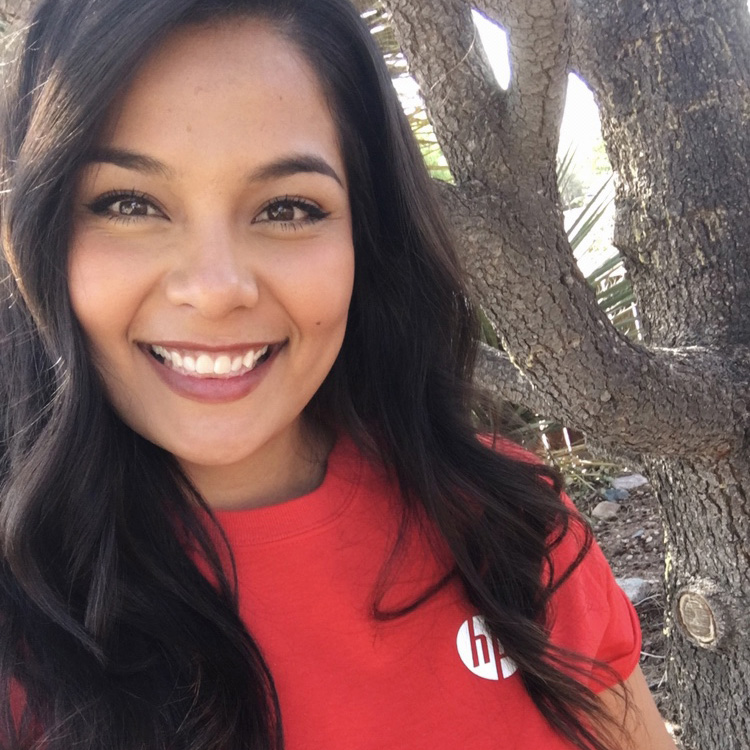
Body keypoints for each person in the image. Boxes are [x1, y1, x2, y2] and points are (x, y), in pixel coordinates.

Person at [0, 0, 677, 748]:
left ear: (366, 235)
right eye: (128, 204)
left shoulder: (512, 534)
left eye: (288, 208)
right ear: (31, 236)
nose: (217, 289)